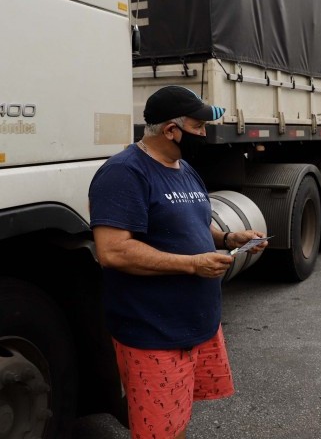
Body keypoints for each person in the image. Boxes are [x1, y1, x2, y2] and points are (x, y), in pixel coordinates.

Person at [88, 85, 268, 439]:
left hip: (195, 326)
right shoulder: (124, 173)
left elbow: (192, 224)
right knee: (157, 431)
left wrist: (229, 239)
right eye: (198, 127)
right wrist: (192, 265)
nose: (205, 134)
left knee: (175, 420)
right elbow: (113, 250)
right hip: (154, 333)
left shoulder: (182, 167)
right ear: (172, 130)